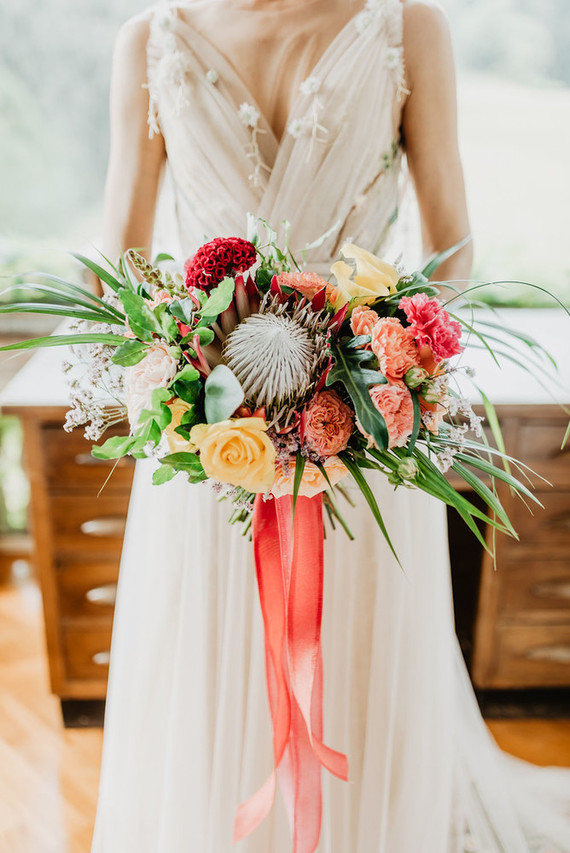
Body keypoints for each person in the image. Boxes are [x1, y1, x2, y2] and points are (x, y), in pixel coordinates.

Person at [91, 1, 570, 850]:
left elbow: (450, 239)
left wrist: (397, 367)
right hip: (213, 438)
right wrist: (175, 369)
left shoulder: (405, 26)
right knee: (211, 672)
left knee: (360, 670)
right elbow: (118, 264)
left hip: (367, 439)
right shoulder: (150, 39)